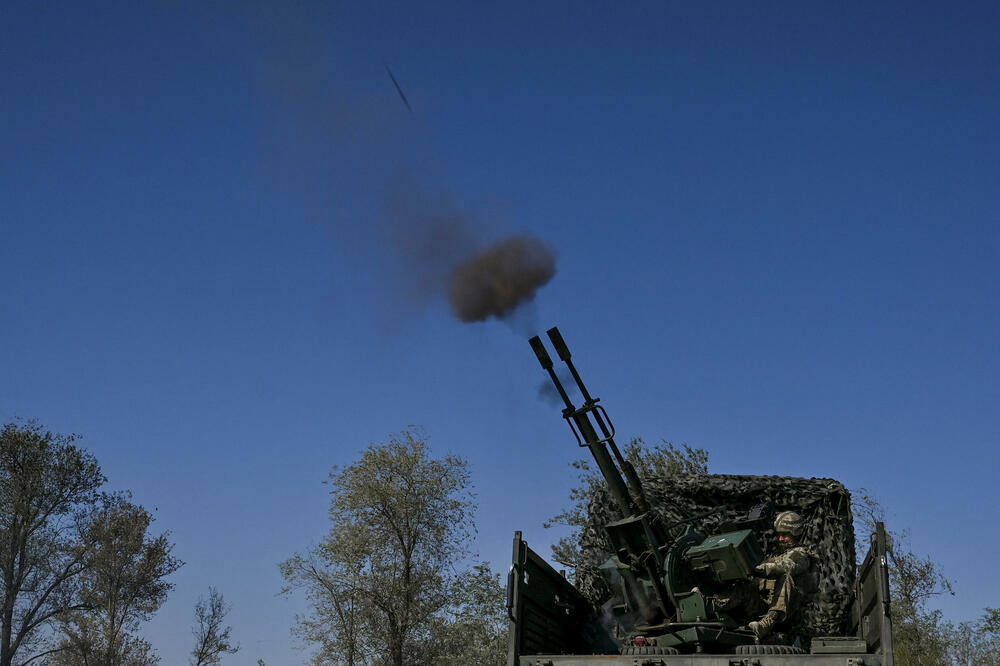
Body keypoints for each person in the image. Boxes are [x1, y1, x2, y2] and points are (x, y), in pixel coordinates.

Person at [715, 510, 814, 640]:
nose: (781, 539)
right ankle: (712, 605)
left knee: (786, 577)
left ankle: (766, 624)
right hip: (764, 607)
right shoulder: (775, 556)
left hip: (787, 614)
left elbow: (786, 567)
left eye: (785, 535)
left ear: (796, 534)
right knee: (742, 586)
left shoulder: (801, 555)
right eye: (779, 535)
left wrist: (756, 568)